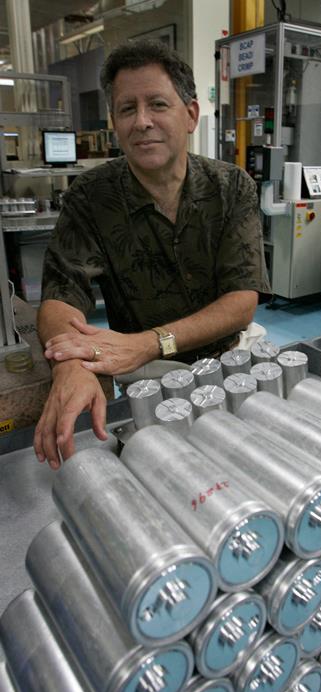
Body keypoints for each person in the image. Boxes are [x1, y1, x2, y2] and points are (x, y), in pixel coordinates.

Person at [34, 39, 270, 470]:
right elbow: (61, 293)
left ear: (191, 115)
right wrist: (70, 364)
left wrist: (150, 342)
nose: (142, 122)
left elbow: (241, 302)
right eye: (127, 109)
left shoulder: (232, 187)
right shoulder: (91, 196)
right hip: (150, 380)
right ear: (114, 122)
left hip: (230, 361)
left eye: (157, 104)